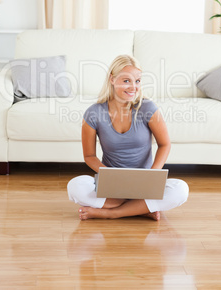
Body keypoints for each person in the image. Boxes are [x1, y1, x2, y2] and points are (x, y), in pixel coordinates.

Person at [67, 55, 189, 221]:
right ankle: (140, 208)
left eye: (137, 81)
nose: (134, 87)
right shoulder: (94, 113)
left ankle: (111, 213)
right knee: (75, 187)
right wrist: (108, 174)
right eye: (126, 81)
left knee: (181, 189)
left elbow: (165, 144)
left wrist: (152, 175)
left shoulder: (148, 108)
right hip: (111, 185)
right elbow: (89, 156)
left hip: (145, 183)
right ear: (112, 79)